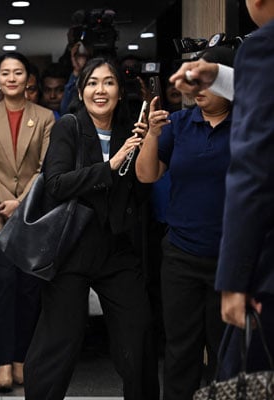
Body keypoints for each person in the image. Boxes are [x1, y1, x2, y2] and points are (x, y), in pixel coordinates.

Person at [24, 58, 157, 400]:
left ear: (118, 91)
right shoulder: (68, 126)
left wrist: (148, 144)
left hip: (117, 248)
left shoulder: (131, 131)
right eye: (93, 83)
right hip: (72, 247)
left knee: (137, 333)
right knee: (58, 342)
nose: (101, 90)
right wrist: (109, 166)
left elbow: (141, 192)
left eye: (109, 82)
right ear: (81, 92)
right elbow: (55, 183)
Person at [170, 0, 274, 378]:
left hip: (264, 268)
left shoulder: (263, 46)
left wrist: (233, 279)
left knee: (242, 376)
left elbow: (253, 173)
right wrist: (219, 75)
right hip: (185, 250)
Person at [136, 47, 234, 400]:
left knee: (228, 355)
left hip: (232, 260)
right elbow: (147, 175)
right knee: (180, 351)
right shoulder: (178, 123)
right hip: (182, 256)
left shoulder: (252, 125)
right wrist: (151, 134)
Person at [0, 51, 54, 392]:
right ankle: (4, 362)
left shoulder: (47, 116)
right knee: (2, 292)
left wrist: (20, 203)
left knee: (30, 291)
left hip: (32, 215)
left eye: (17, 72)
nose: (10, 78)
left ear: (27, 79)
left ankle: (23, 359)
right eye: (4, 73)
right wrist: (6, 202)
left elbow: (46, 168)